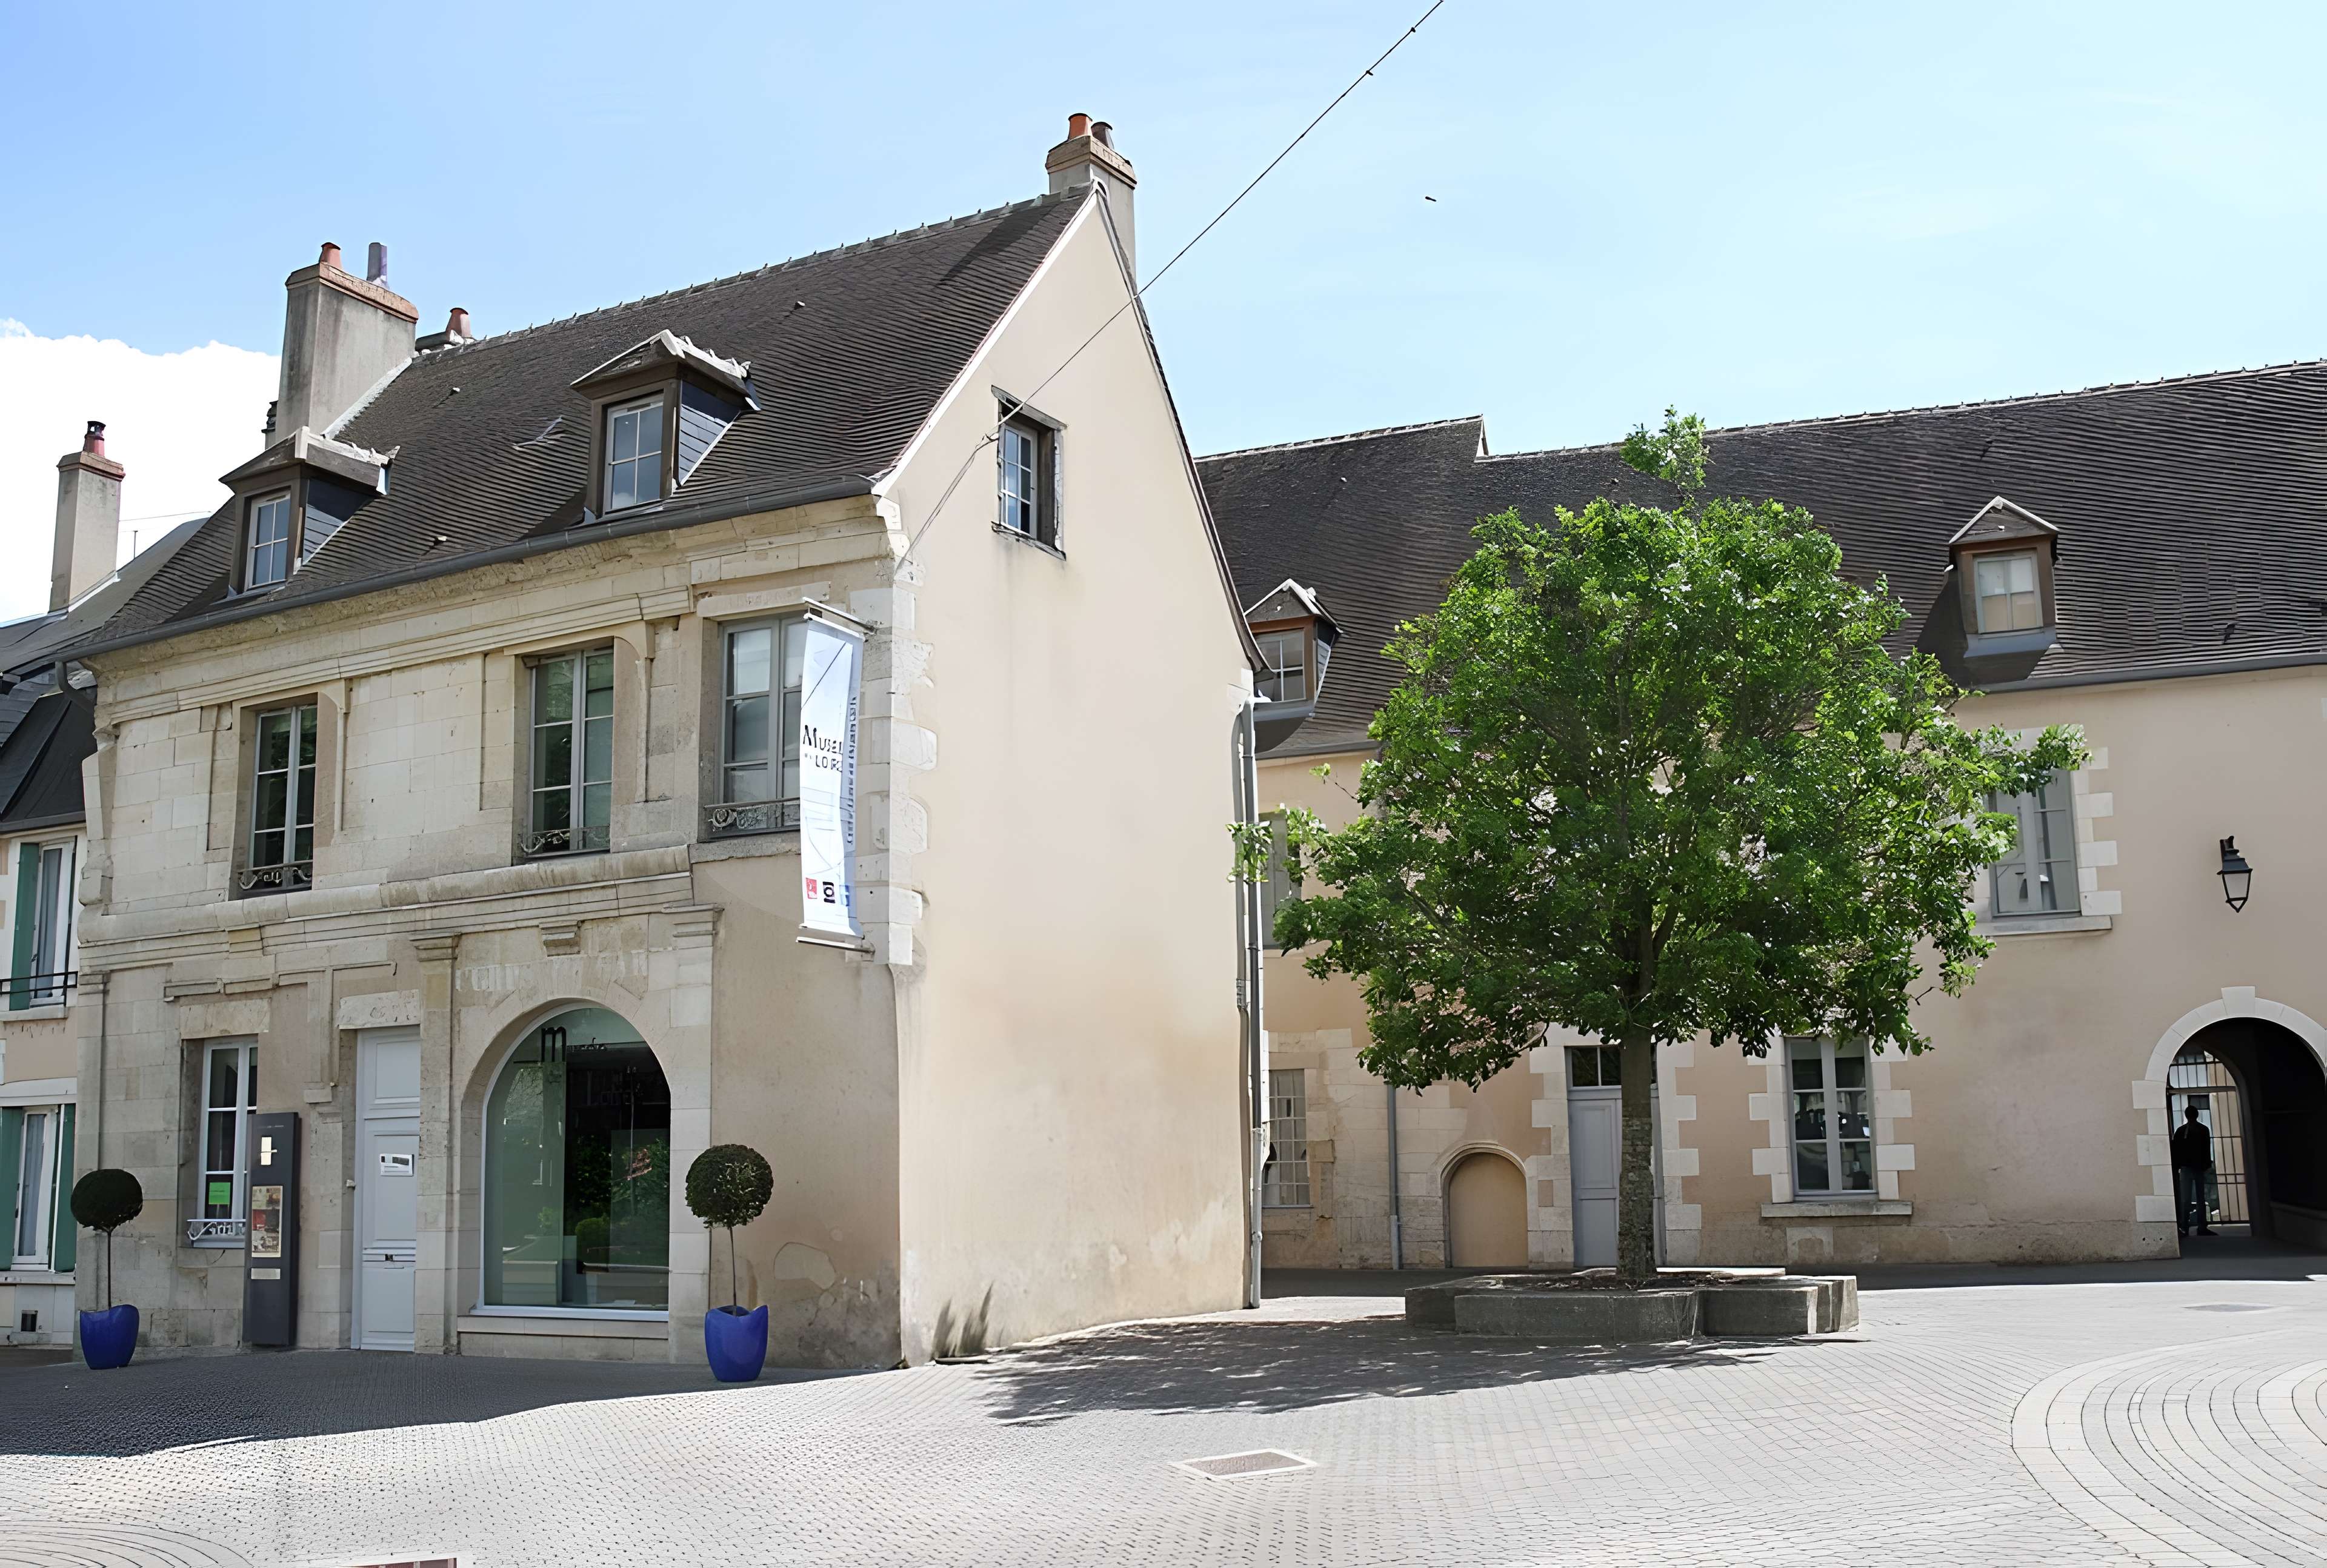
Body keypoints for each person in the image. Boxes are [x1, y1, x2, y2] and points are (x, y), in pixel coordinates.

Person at [2171, 1100, 2215, 1237]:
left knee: (2185, 1199)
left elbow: (2176, 1150)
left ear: (2186, 1115)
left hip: (2185, 1168)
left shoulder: (2180, 1131)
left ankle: (2184, 1226)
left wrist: (2176, 1166)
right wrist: (2207, 1165)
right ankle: (2202, 1227)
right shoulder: (2203, 1130)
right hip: (2198, 1168)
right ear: (2197, 1115)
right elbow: (2207, 1149)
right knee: (2201, 1198)